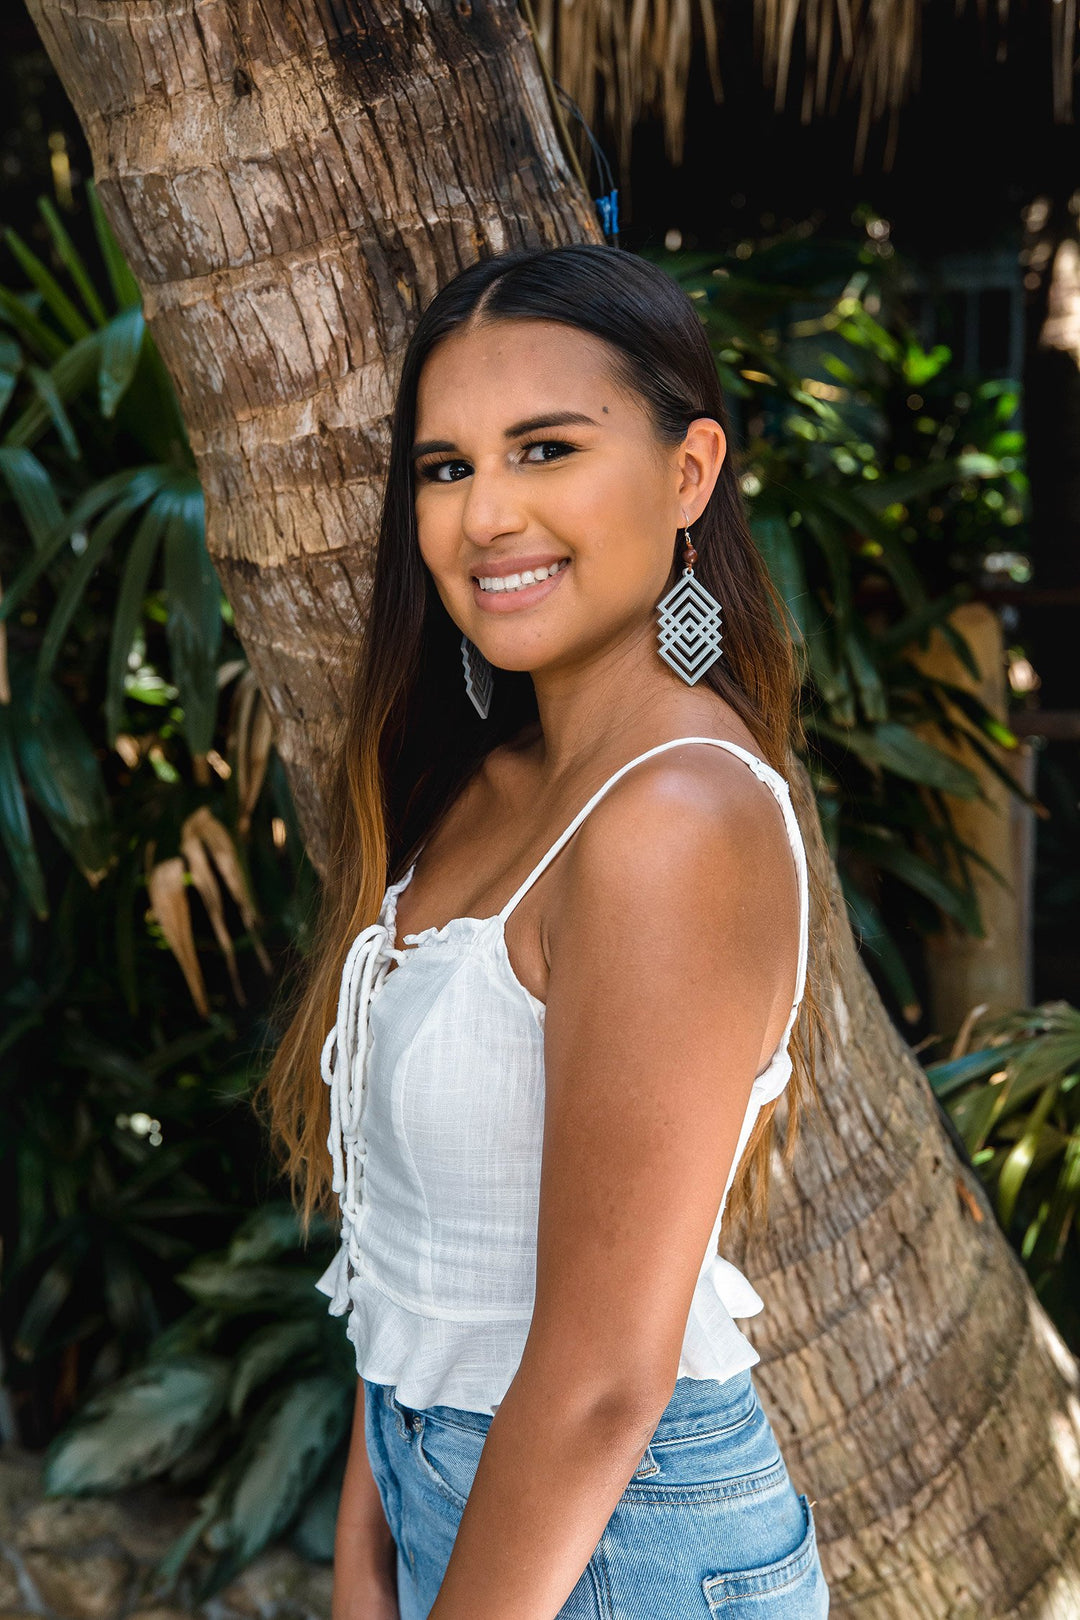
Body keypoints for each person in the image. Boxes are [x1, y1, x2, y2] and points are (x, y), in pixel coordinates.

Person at [261, 242, 830, 1619]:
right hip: (454, 1500)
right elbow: (422, 1261)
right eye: (445, 468)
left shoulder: (677, 819)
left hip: (618, 1546)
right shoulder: (483, 787)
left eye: (547, 449)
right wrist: (368, 1535)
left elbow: (599, 1381)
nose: (487, 515)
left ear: (689, 474)